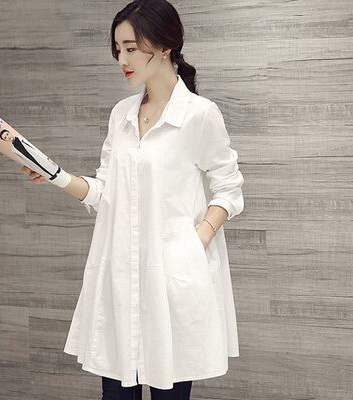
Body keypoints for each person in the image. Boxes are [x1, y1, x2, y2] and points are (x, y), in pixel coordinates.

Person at [22, 0, 245, 398]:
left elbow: (228, 188)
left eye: (130, 48)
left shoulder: (199, 114)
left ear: (164, 46)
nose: (121, 60)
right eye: (117, 50)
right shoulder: (121, 115)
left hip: (171, 283)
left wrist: (195, 242)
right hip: (121, 278)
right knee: (115, 392)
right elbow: (105, 191)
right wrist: (56, 176)